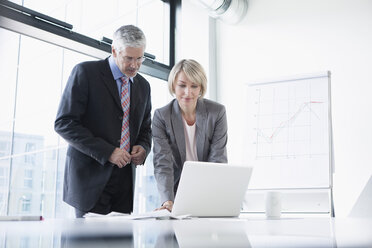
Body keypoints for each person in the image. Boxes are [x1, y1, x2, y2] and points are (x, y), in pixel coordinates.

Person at [54, 25, 152, 218]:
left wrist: (143, 147)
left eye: (139, 58)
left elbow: (145, 128)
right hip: (90, 180)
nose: (135, 65)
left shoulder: (143, 86)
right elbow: (64, 123)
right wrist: (108, 152)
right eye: (129, 58)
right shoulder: (86, 72)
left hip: (124, 182)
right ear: (114, 51)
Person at [153, 59, 228, 212]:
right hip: (175, 191)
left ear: (201, 87)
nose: (188, 92)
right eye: (182, 85)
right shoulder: (162, 116)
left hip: (209, 188)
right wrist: (168, 201)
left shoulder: (217, 112)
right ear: (173, 85)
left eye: (194, 86)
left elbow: (217, 158)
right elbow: (163, 162)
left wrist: (207, 195)